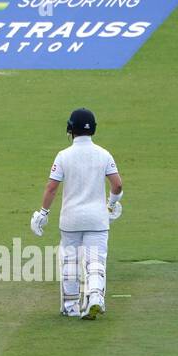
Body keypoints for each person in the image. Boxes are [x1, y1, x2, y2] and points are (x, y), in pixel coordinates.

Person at [30, 108, 123, 320]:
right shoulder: (104, 154)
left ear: (71, 129)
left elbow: (51, 188)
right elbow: (117, 185)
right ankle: (95, 298)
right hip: (97, 219)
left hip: (71, 219)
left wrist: (42, 213)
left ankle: (71, 306)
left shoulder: (63, 156)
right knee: (95, 261)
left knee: (70, 261)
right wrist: (111, 204)